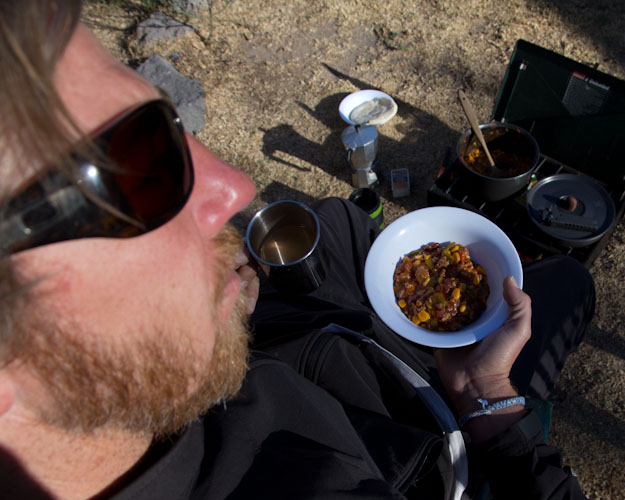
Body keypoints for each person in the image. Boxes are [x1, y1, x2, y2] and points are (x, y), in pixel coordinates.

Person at [0, 1, 594, 498]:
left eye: (174, 126)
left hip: (367, 356)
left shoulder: (151, 390)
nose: (234, 185)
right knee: (569, 280)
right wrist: (489, 413)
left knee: (337, 218)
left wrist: (479, 389)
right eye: (137, 168)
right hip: (444, 438)